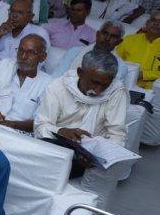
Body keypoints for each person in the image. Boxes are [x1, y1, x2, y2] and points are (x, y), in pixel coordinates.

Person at [34, 50, 127, 206]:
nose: (99, 90)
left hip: (93, 152)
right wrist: (62, 131)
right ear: (80, 72)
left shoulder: (116, 92)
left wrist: (99, 155)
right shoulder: (57, 88)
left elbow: (117, 134)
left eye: (105, 85)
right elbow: (40, 126)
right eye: (95, 82)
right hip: (58, 146)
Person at [0, 35, 52, 133]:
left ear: (42, 57)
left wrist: (11, 124)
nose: (23, 57)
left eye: (31, 52)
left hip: (20, 135)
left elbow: (40, 122)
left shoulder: (48, 84)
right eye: (21, 50)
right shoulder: (4, 67)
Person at [0, 0, 50, 64]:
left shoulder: (38, 33)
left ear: (31, 16)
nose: (14, 16)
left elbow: (35, 65)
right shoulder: (1, 28)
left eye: (20, 13)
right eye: (12, 11)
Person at [53, 20, 127, 81]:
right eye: (105, 33)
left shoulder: (120, 66)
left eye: (113, 36)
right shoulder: (75, 52)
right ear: (97, 34)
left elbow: (110, 91)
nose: (107, 38)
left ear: (119, 42)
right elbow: (56, 76)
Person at [116, 11, 160, 89]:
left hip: (153, 91)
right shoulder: (129, 39)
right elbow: (114, 61)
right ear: (147, 23)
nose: (156, 24)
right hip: (124, 85)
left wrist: (144, 75)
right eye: (153, 20)